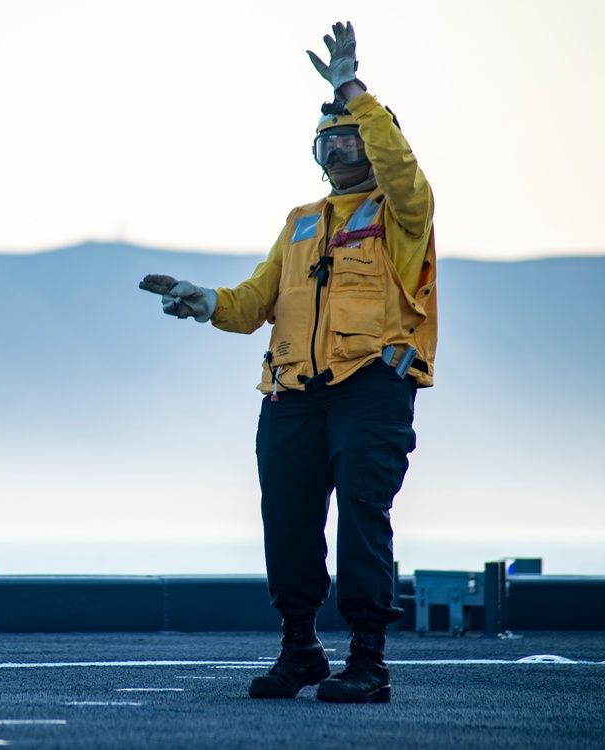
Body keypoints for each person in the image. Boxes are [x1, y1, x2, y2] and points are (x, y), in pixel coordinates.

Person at [140, 21, 436, 704]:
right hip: (293, 394)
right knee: (289, 521)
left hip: (370, 388)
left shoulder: (404, 213)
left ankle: (368, 661)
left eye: (349, 139)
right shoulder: (301, 221)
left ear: (373, 143)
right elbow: (252, 305)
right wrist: (200, 300)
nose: (337, 152)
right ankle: (300, 648)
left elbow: (401, 167)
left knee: (364, 515)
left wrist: (352, 90)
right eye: (326, 141)